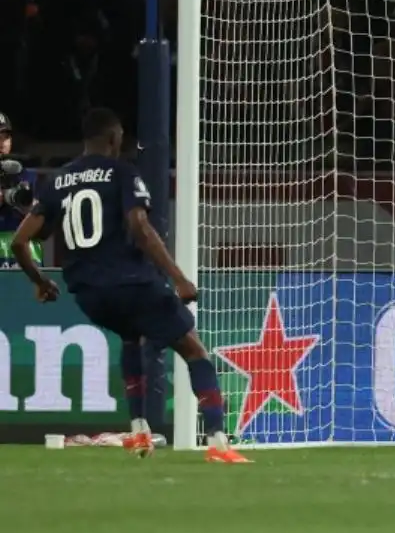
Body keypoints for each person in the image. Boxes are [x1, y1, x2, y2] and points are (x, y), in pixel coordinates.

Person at [8, 108, 247, 463]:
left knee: (130, 337)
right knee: (195, 350)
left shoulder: (58, 180)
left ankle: (138, 431)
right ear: (114, 139)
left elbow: (19, 241)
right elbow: (139, 226)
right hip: (131, 282)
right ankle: (218, 443)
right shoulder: (122, 172)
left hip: (89, 294)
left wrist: (41, 282)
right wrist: (178, 277)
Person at [0, 113, 40, 266]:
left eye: (6, 137)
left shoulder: (26, 174)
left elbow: (42, 218)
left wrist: (27, 205)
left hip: (25, 256)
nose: (2, 143)